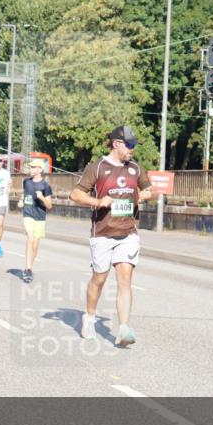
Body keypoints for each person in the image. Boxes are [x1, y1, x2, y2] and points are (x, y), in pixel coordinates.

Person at [69, 126, 154, 347]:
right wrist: (98, 202)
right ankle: (89, 317)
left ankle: (124, 328)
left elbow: (150, 190)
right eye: (130, 145)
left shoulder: (135, 169)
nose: (132, 150)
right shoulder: (97, 168)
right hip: (103, 233)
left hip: (128, 232)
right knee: (99, 279)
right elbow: (75, 194)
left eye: (134, 145)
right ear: (117, 144)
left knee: (125, 280)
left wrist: (146, 194)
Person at [17, 159, 53, 283]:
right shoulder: (26, 182)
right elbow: (24, 193)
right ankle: (28, 268)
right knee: (30, 239)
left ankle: (30, 267)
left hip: (40, 217)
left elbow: (49, 206)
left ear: (40, 170)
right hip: (28, 214)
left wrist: (42, 197)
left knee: (35, 245)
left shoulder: (46, 186)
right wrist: (21, 201)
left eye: (33, 167)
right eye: (30, 167)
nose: (30, 169)